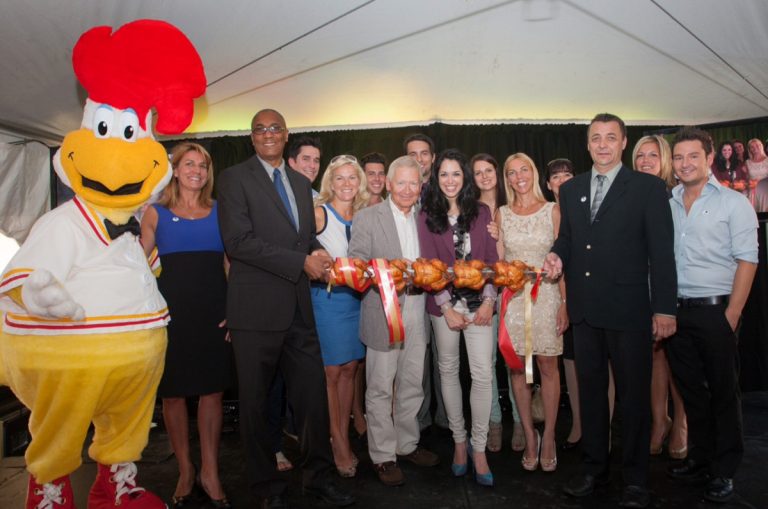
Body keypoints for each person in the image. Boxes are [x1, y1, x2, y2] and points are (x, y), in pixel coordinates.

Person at [217, 108, 354, 509]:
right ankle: (266, 490)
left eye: (275, 128)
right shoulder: (234, 179)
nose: (268, 134)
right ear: (252, 137)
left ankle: (318, 479)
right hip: (255, 312)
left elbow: (303, 239)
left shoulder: (298, 182)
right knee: (257, 406)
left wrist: (317, 251)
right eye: (260, 129)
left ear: (286, 134)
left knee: (312, 400)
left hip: (299, 308)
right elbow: (238, 242)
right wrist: (301, 262)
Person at [543, 113, 677, 509]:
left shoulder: (648, 188)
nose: (602, 144)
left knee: (633, 398)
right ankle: (594, 468)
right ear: (587, 145)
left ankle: (635, 478)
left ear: (623, 143)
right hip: (585, 312)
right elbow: (568, 239)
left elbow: (661, 254)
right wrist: (554, 256)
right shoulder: (572, 190)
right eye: (595, 138)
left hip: (629, 311)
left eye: (610, 138)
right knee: (591, 395)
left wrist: (665, 309)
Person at [665, 127, 758, 504]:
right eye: (679, 157)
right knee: (691, 393)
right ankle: (700, 460)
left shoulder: (734, 204)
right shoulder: (668, 202)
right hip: (676, 314)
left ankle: (724, 470)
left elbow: (748, 260)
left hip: (717, 311)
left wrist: (732, 314)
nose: (685, 163)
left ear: (708, 158)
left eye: (692, 156)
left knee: (723, 394)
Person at [140, 142, 233, 508]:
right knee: (173, 394)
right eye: (189, 163)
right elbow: (136, 263)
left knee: (212, 392)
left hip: (214, 312)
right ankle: (185, 470)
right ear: (175, 170)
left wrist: (235, 307)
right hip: (171, 315)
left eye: (203, 165)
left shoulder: (220, 211)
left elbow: (231, 265)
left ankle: (210, 472)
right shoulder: (155, 213)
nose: (197, 170)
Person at [348, 155, 439, 487]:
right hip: (382, 308)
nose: (407, 189)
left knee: (413, 382)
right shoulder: (368, 217)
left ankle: (406, 443)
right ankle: (383, 456)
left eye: (414, 183)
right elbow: (356, 261)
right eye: (400, 182)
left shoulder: (428, 218)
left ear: (421, 186)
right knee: (380, 387)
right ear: (388, 184)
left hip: (419, 306)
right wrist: (381, 273)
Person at [418, 149, 498, 485]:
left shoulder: (481, 212)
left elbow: (492, 260)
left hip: (480, 305)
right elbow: (426, 263)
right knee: (448, 372)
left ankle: (479, 449)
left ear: (465, 178)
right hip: (444, 307)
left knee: (482, 375)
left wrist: (489, 300)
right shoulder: (426, 216)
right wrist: (446, 307)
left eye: (456, 174)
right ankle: (460, 443)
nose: (450, 181)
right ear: (436, 180)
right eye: (444, 175)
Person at [496, 153, 565, 473]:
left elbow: (564, 261)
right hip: (513, 300)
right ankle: (529, 434)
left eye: (524, 169)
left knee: (548, 366)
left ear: (534, 173)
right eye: (512, 172)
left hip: (548, 296)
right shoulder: (502, 213)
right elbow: (498, 266)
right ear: (507, 179)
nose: (518, 176)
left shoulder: (554, 210)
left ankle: (549, 435)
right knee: (517, 368)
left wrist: (565, 303)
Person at [311, 155, 369, 477]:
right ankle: (337, 442)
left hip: (358, 301)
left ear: (359, 182)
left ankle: (343, 434)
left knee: (350, 369)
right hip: (327, 301)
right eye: (340, 179)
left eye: (352, 178)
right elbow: (301, 249)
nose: (346, 184)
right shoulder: (318, 213)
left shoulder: (363, 215)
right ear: (330, 183)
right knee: (332, 372)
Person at [631, 135, 689, 460]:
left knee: (678, 359)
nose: (646, 161)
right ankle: (659, 422)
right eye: (640, 155)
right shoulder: (630, 194)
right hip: (642, 288)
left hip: (675, 287)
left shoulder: (677, 196)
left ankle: (681, 422)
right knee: (654, 359)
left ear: (665, 159)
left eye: (653, 155)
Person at [471, 152, 521, 453]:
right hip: (483, 294)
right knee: (485, 362)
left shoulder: (512, 204)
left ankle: (519, 419)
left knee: (513, 359)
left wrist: (500, 238)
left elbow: (510, 255)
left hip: (512, 293)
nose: (484, 176)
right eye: (477, 172)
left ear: (497, 172)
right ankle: (493, 421)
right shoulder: (470, 209)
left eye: (488, 170)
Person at [403, 133, 449, 431]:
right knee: (415, 357)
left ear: (433, 157)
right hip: (410, 291)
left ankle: (447, 418)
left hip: (442, 285)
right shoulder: (401, 191)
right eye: (413, 154)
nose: (419, 159)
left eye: (424, 153)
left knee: (444, 358)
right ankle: (418, 420)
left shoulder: (446, 191)